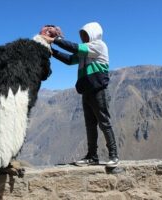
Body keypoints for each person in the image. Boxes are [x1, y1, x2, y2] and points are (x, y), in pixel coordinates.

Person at [42, 22, 119, 167]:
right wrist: (53, 52)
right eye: (82, 35)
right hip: (87, 91)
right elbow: (70, 59)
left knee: (104, 122)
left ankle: (113, 155)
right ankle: (92, 156)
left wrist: (55, 39)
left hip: (98, 90)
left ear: (93, 34)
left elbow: (74, 47)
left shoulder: (98, 46)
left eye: (85, 34)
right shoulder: (85, 52)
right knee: (90, 125)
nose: (83, 37)